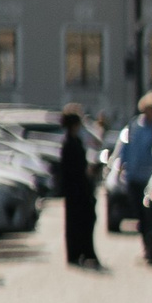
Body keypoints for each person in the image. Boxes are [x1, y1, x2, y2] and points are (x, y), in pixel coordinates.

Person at [112, 94, 152, 227]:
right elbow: (125, 148)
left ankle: (147, 232)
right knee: (137, 208)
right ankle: (144, 229)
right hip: (134, 175)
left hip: (149, 176)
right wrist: (120, 167)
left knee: (148, 210)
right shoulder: (134, 126)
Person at [56, 103, 100, 269]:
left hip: (76, 190)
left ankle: (81, 253)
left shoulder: (73, 141)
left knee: (79, 222)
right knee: (79, 222)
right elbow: (74, 170)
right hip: (77, 190)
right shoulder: (70, 144)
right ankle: (80, 252)